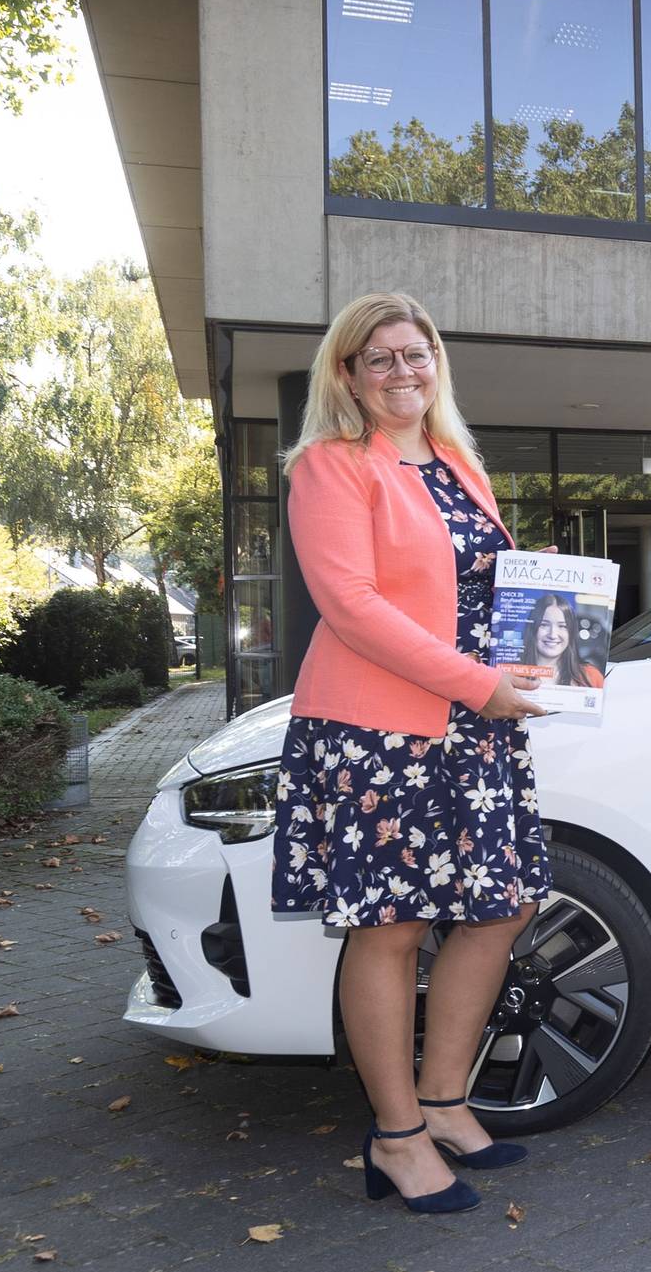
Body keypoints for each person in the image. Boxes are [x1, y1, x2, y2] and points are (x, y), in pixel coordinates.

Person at [270, 292, 552, 1213]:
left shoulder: (458, 461)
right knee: (389, 927)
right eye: (380, 358)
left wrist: (545, 607)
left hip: (474, 727)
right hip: (378, 732)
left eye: (416, 352)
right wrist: (477, 681)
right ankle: (395, 1136)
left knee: (502, 905)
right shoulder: (329, 465)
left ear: (437, 362)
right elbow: (351, 606)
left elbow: (469, 592)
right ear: (348, 374)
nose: (403, 371)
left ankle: (442, 1102)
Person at [525, 592, 604, 689]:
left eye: (562, 626)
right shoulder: (511, 674)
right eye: (544, 625)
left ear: (570, 632)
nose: (553, 635)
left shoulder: (592, 677)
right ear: (532, 628)